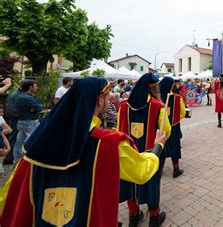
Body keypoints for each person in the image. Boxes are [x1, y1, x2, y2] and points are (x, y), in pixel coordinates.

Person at [0, 77, 167, 226]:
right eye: (108, 98)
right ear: (100, 100)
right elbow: (141, 172)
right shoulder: (108, 143)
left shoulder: (36, 144)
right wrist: (157, 145)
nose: (109, 102)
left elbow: (8, 196)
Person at [117, 73, 171, 227]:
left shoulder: (123, 106)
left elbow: (117, 129)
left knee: (130, 183)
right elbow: (165, 131)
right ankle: (154, 217)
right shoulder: (158, 106)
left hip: (129, 152)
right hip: (151, 151)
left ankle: (133, 215)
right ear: (153, 88)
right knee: (152, 183)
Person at [160, 76, 186, 178]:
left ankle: (159, 169)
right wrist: (175, 118)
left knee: (160, 147)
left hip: (160, 127)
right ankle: (176, 169)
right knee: (174, 146)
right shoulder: (178, 98)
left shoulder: (157, 98)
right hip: (174, 126)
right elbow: (183, 113)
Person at [13, 80, 42, 164]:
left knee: (19, 142)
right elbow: (39, 108)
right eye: (35, 86)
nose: (36, 88)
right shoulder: (28, 98)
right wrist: (34, 108)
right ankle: (30, 161)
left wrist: (34, 108)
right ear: (30, 87)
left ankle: (17, 161)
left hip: (22, 121)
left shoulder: (20, 96)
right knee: (33, 140)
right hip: (30, 122)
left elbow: (36, 108)